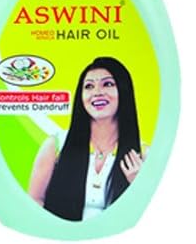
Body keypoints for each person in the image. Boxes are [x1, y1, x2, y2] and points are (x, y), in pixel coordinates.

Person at [28, 57, 148, 221]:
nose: (97, 92)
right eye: (89, 86)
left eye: (108, 84)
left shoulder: (142, 154)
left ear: (124, 90)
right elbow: (34, 200)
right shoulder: (55, 145)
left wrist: (138, 184)